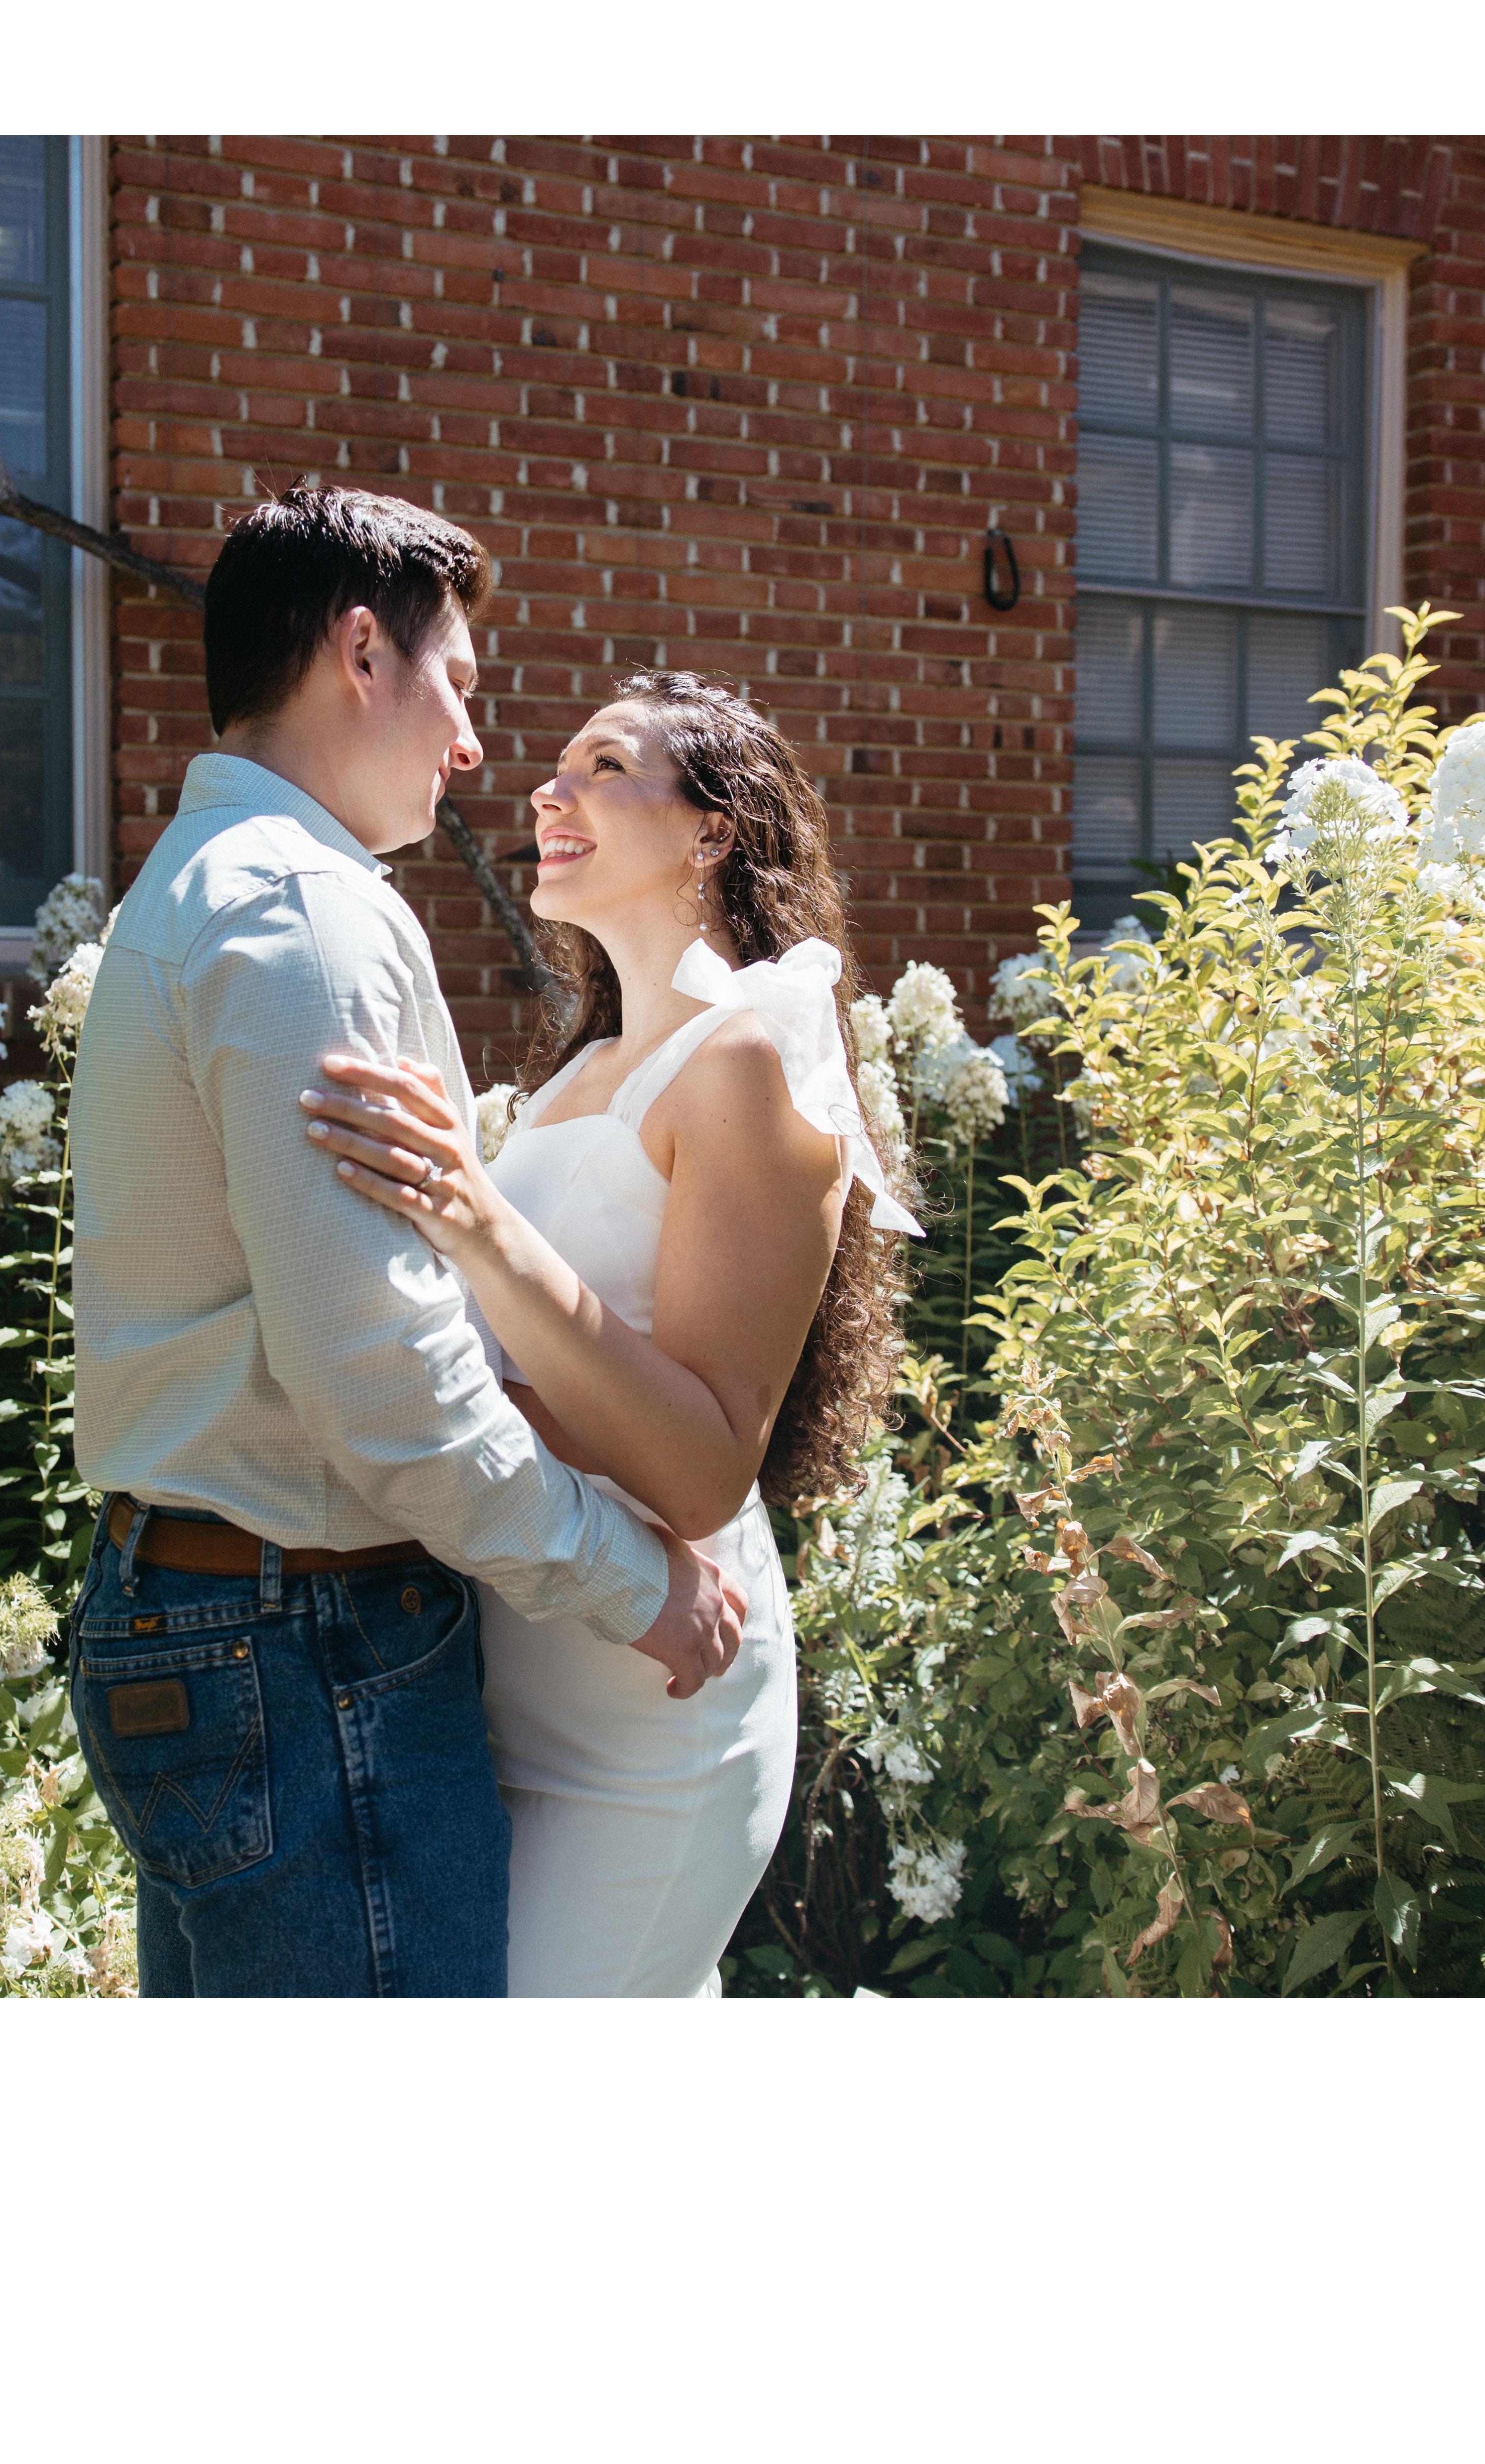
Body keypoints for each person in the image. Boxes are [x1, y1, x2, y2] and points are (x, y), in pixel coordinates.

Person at [67, 485, 743, 1999]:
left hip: (218, 1622)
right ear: (362, 652)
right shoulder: (305, 914)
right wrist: (635, 1584)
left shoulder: (197, 881)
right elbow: (385, 1387)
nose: (476, 746)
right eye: (462, 685)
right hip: (307, 1650)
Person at [296, 671, 917, 1995]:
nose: (548, 791)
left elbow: (702, 1470)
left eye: (605, 767)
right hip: (510, 1685)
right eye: (559, 768)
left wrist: (475, 1220)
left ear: (712, 832)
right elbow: (520, 1363)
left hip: (651, 1739)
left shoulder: (751, 1060)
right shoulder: (586, 1066)